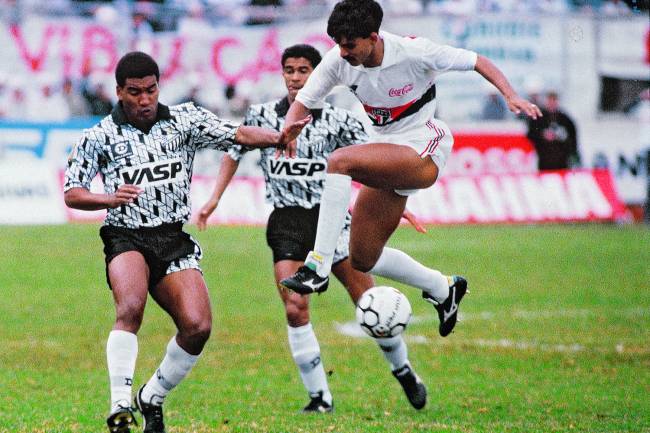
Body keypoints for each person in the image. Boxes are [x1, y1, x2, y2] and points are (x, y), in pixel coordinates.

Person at [63, 51, 309, 433]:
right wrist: (109, 199)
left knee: (197, 326)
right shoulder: (98, 137)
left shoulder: (185, 120)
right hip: (126, 233)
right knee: (130, 307)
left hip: (173, 238)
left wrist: (276, 137)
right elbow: (72, 193)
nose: (144, 100)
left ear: (159, 86)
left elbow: (236, 134)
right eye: (134, 92)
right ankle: (120, 406)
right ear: (119, 92)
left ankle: (152, 397)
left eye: (150, 90)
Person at [197, 44, 436, 412]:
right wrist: (213, 198)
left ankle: (403, 370)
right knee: (295, 308)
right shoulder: (261, 115)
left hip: (332, 223)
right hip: (287, 221)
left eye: (304, 70)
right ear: (282, 74)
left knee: (369, 303)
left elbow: (378, 161)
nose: (296, 78)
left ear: (317, 74)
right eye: (289, 70)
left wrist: (395, 204)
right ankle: (319, 396)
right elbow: (233, 152)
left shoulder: (339, 120)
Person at [279, 0, 541, 336]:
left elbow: (477, 61)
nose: (342, 53)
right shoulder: (338, 60)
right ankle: (444, 287)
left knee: (339, 161)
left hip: (423, 149)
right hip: (387, 153)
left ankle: (316, 265)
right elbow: (302, 103)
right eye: (338, 45)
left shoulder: (414, 52)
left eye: (349, 45)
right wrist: (290, 128)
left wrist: (510, 95)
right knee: (362, 258)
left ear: (373, 37)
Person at [527, 91, 580, 171]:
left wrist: (562, 138)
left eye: (554, 101)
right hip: (544, 159)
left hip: (562, 160)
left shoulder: (565, 119)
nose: (552, 104)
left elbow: (573, 136)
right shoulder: (538, 118)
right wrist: (543, 135)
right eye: (550, 101)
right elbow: (531, 134)